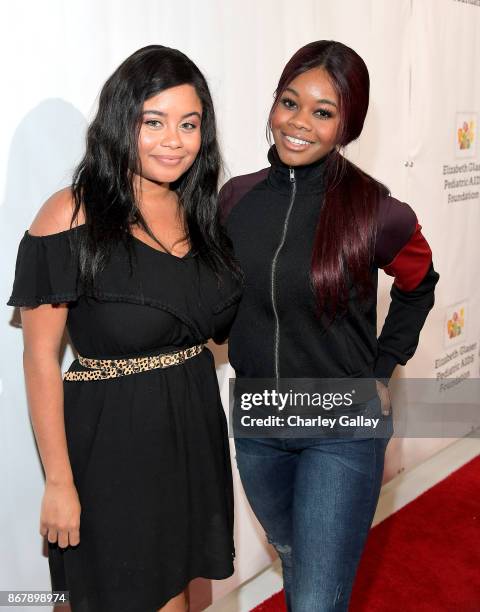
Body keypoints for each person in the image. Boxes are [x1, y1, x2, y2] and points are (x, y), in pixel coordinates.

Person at [7, 45, 242, 612]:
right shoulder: (69, 215)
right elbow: (40, 359)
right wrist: (59, 482)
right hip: (112, 446)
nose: (173, 140)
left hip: (190, 433)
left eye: (189, 124)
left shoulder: (200, 214)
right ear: (120, 123)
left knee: (189, 600)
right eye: (153, 122)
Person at [219, 40, 439, 611]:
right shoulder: (235, 200)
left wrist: (382, 367)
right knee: (297, 561)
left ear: (348, 123)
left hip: (340, 427)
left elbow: (420, 284)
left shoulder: (379, 212)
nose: (298, 124)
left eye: (323, 111)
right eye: (289, 103)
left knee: (317, 597)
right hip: (258, 421)